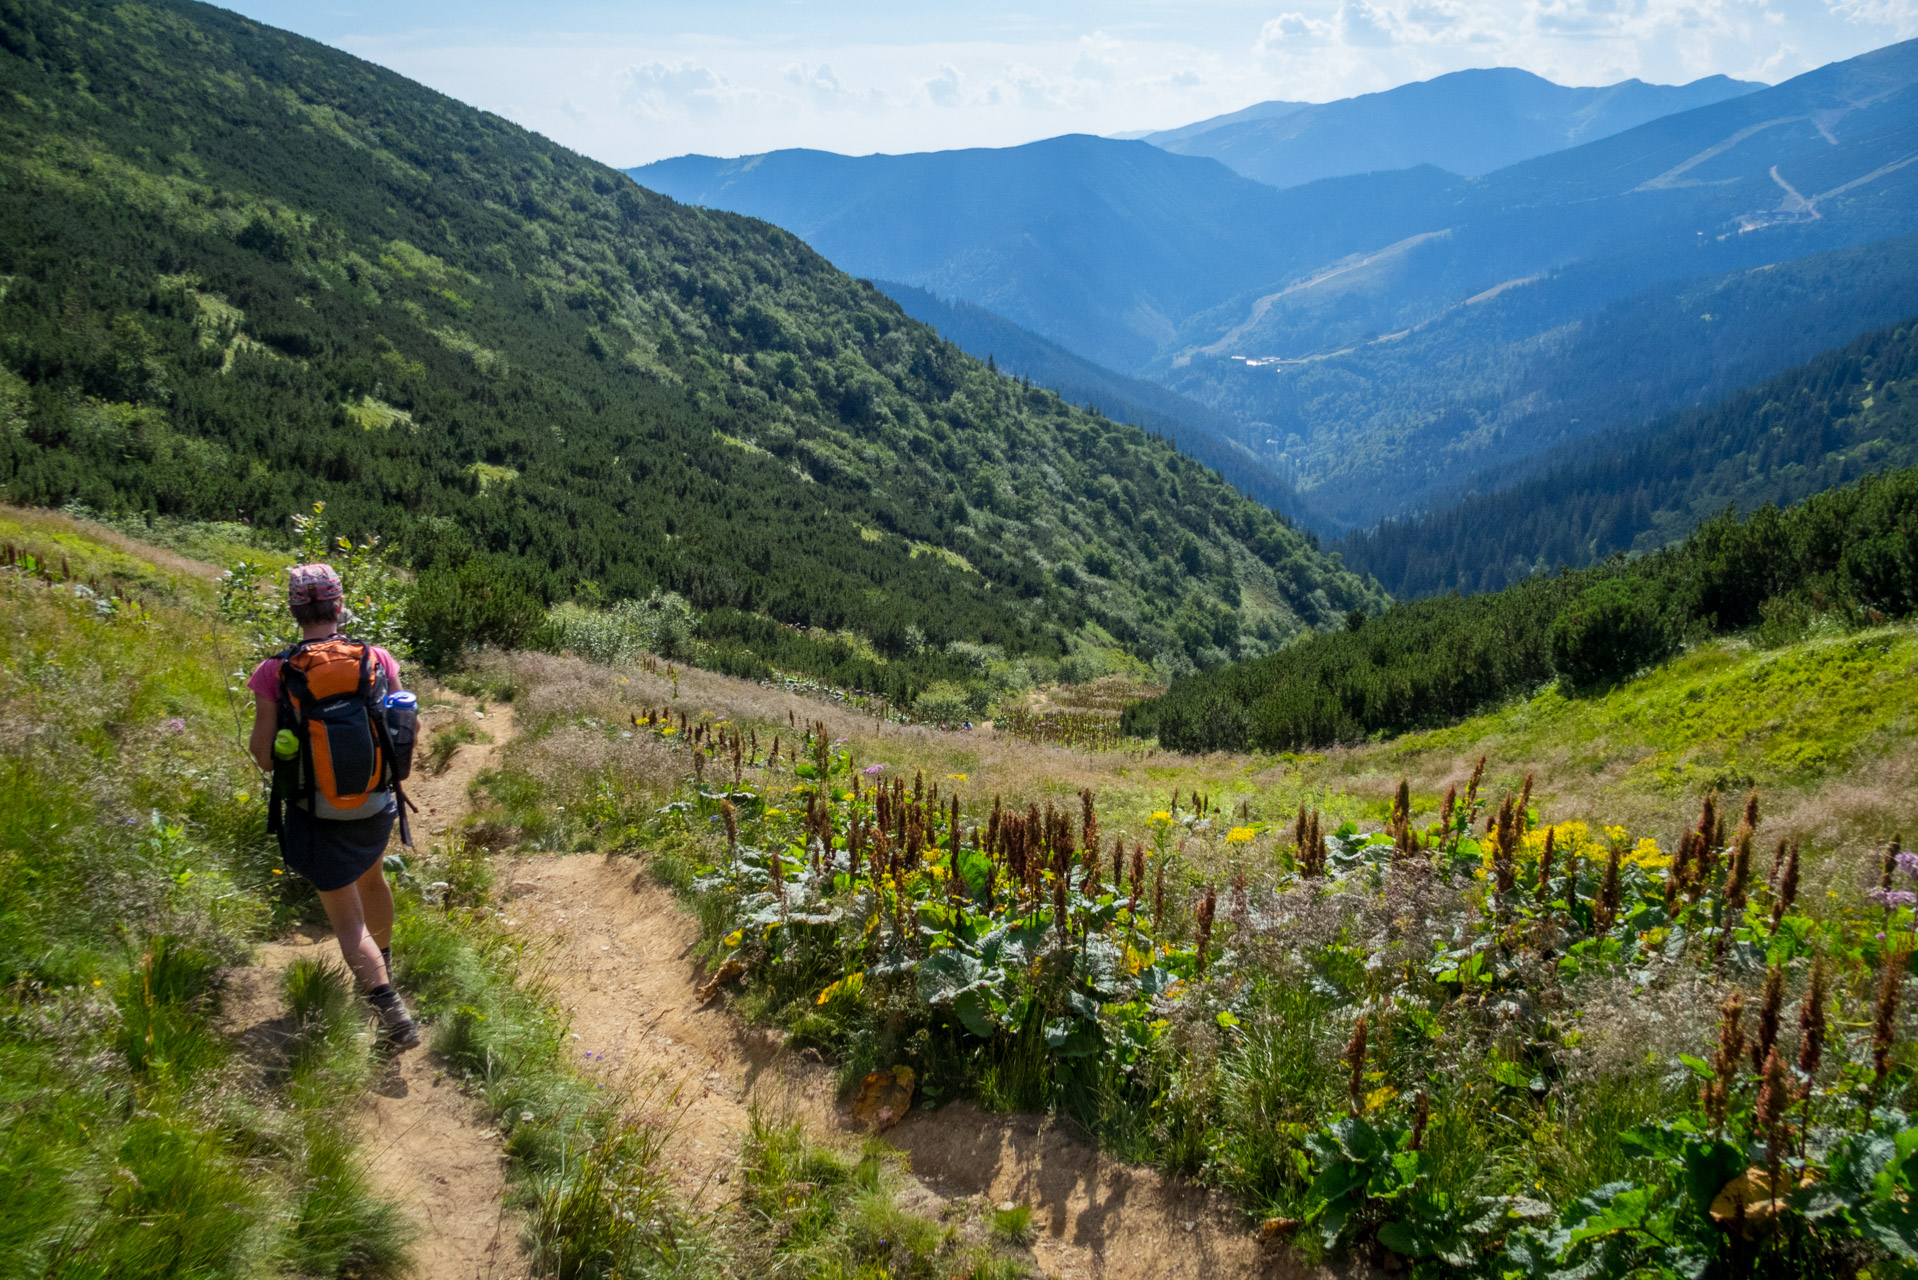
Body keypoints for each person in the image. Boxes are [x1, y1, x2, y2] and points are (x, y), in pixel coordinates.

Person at [248, 563, 419, 1048]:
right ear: (339, 606)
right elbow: (403, 731)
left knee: (347, 921)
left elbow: (263, 757)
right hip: (377, 805)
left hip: (316, 812)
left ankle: (389, 1008)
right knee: (372, 877)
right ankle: (384, 962)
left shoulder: (274, 673)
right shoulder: (377, 659)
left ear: (294, 610)